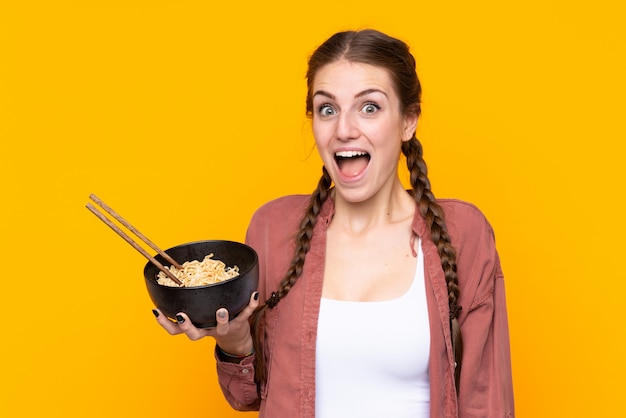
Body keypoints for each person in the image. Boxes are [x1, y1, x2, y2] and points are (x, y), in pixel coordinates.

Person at [153, 29, 515, 418]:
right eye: (327, 108)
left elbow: (486, 400)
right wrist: (235, 342)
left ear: (409, 121)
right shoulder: (273, 229)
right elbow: (249, 397)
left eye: (370, 107)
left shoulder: (464, 235)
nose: (344, 129)